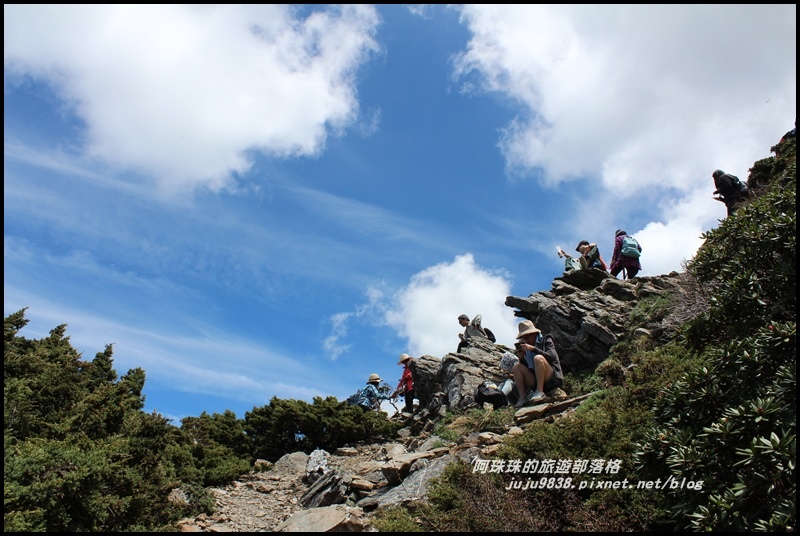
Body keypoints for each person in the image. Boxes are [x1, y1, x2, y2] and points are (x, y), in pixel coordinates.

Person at [512, 320, 564, 408]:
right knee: (517, 367)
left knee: (538, 358)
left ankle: (540, 391)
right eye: (524, 338)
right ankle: (523, 398)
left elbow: (552, 357)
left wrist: (534, 349)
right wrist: (521, 358)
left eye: (528, 336)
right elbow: (528, 368)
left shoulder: (546, 340)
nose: (526, 340)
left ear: (534, 333)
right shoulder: (527, 349)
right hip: (536, 379)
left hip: (552, 378)